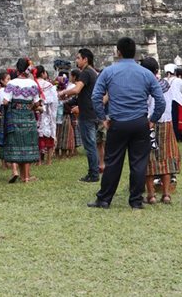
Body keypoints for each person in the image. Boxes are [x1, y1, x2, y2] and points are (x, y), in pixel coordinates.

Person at [88, 36, 166, 210]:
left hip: (118, 122)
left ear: (118, 52)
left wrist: (103, 117)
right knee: (138, 163)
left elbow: (95, 97)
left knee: (113, 161)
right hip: (140, 122)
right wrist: (152, 120)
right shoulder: (146, 73)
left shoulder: (108, 71)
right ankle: (136, 200)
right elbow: (160, 100)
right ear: (135, 53)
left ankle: (104, 199)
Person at [140, 57, 181, 205]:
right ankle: (166, 194)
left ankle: (151, 195)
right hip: (166, 123)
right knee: (167, 156)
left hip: (148, 123)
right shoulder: (167, 84)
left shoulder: (144, 86)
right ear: (157, 70)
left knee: (149, 158)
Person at [59, 48, 99, 182]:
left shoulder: (86, 73)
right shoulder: (93, 72)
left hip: (87, 114)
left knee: (90, 145)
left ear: (85, 59)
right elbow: (84, 94)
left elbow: (77, 89)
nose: (76, 61)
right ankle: (94, 171)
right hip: (92, 112)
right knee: (91, 144)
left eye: (78, 58)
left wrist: (63, 92)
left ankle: (93, 174)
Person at [1, 57, 42, 183]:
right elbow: (36, 103)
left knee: (15, 143)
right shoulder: (33, 84)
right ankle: (26, 176)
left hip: (15, 116)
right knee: (28, 143)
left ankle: (17, 172)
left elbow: (5, 101)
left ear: (17, 68)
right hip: (29, 116)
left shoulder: (11, 84)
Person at [35, 65, 58, 164]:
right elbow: (54, 101)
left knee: (38, 137)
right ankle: (48, 160)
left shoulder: (33, 84)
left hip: (36, 112)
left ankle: (39, 161)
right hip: (47, 113)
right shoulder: (49, 85)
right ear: (43, 73)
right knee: (49, 137)